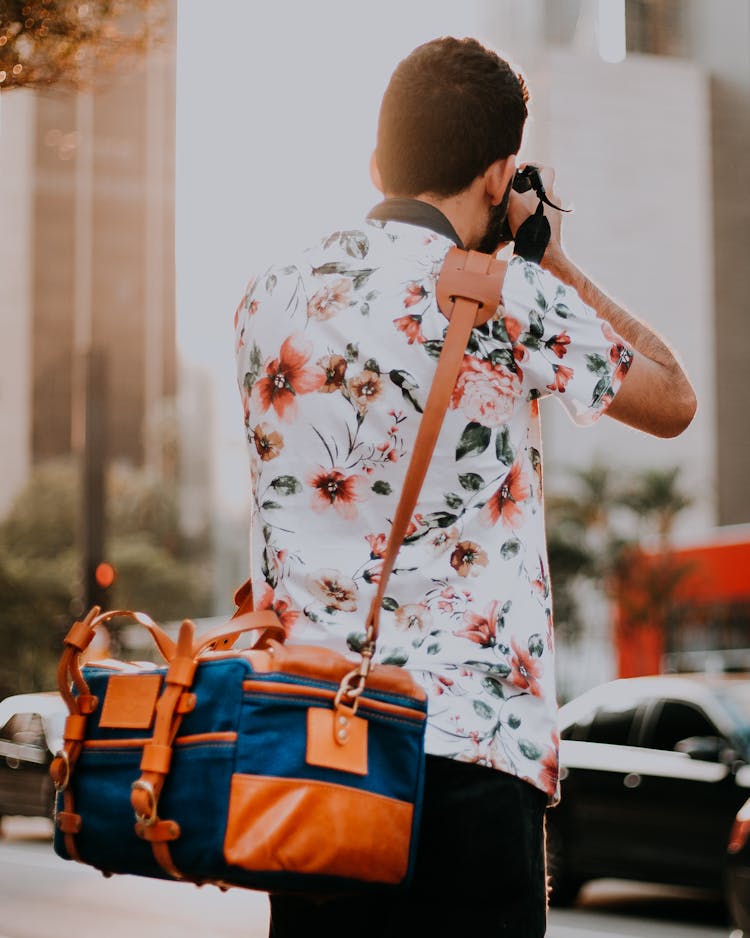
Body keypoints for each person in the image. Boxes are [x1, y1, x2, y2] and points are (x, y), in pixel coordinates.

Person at [234, 36, 696, 938]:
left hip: (310, 749)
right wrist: (545, 253)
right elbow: (672, 396)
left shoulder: (268, 293)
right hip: (468, 752)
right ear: (499, 176)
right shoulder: (509, 296)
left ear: (377, 160)